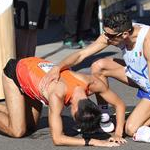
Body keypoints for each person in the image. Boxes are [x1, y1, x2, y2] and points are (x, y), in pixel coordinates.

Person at [40, 11, 150, 139]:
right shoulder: (114, 34)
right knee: (99, 66)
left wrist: (120, 133)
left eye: (110, 35)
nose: (106, 37)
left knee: (131, 129)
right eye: (105, 33)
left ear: (125, 34)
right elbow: (82, 54)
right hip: (140, 76)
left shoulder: (147, 41)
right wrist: (57, 68)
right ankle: (104, 115)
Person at [0, 57, 126, 146]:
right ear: (75, 110)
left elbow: (119, 104)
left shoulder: (92, 83)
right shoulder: (57, 95)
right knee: (18, 131)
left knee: (31, 126)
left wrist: (118, 134)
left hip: (32, 75)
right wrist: (93, 141)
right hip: (15, 73)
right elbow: (58, 139)